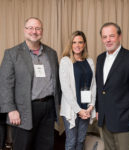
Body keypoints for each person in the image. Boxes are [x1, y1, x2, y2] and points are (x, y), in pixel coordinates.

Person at [0, 17, 60, 150]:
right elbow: (5, 84)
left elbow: (57, 82)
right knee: (23, 146)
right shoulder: (12, 54)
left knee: (46, 146)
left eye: (38, 28)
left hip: (48, 108)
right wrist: (11, 109)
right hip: (23, 110)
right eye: (30, 28)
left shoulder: (51, 53)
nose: (34, 31)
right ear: (24, 30)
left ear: (42, 31)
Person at [96, 22, 129, 150]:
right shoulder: (100, 58)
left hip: (124, 120)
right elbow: (100, 87)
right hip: (104, 118)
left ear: (119, 36)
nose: (108, 40)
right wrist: (98, 109)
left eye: (111, 36)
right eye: (104, 37)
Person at [59, 31, 96, 150]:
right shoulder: (66, 61)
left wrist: (90, 106)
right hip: (72, 108)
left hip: (86, 109)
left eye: (80, 42)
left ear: (84, 44)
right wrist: (78, 110)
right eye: (74, 42)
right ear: (70, 44)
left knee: (81, 141)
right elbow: (66, 89)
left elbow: (94, 85)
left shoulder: (89, 61)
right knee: (71, 142)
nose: (77, 45)